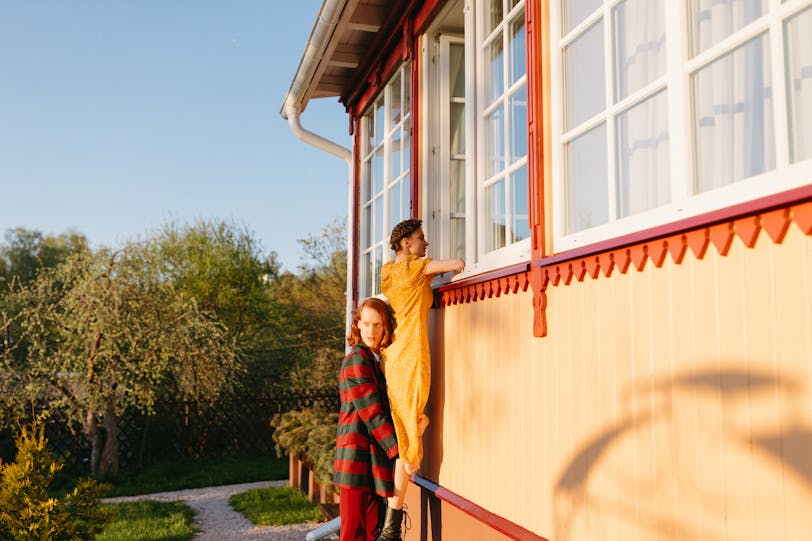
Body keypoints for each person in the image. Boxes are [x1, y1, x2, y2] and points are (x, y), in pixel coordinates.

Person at [376, 218, 464, 541]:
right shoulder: (414, 269)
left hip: (397, 359)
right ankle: (390, 529)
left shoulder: (389, 274)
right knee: (410, 440)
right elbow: (457, 263)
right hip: (411, 360)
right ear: (405, 245)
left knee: (405, 434)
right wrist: (444, 269)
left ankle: (391, 525)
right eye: (420, 238)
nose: (425, 242)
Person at [333, 297, 400, 541]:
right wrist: (398, 449)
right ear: (358, 325)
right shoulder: (357, 359)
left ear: (385, 327)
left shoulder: (375, 360)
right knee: (353, 533)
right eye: (367, 324)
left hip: (372, 458)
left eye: (378, 325)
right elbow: (372, 413)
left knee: (372, 530)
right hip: (356, 457)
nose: (371, 331)